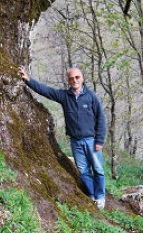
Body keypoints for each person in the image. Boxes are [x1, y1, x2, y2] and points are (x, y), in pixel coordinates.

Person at [18, 66, 107, 209]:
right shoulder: (65, 96)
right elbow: (46, 91)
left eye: (77, 77)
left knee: (98, 169)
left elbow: (101, 119)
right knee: (83, 171)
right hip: (75, 141)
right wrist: (28, 80)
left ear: (82, 79)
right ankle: (92, 195)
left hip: (92, 140)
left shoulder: (91, 97)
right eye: (71, 78)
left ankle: (101, 198)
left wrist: (100, 140)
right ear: (68, 81)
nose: (74, 80)